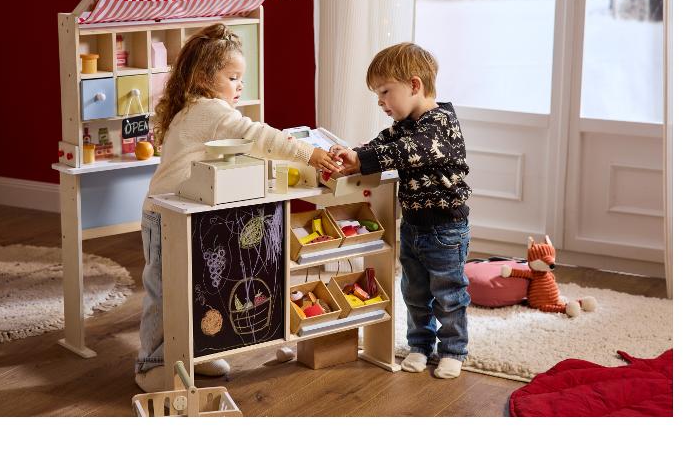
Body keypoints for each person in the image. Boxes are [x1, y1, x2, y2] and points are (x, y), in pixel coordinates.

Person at [135, 23, 339, 392]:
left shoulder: (203, 108)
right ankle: (152, 362)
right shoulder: (209, 111)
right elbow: (256, 135)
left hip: (188, 216)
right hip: (164, 217)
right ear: (203, 77)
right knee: (164, 291)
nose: (240, 86)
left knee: (198, 287)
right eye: (232, 77)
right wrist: (310, 153)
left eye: (241, 78)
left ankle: (195, 350)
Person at [331, 42, 472, 379]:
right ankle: (420, 345)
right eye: (377, 95)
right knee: (414, 291)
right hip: (412, 227)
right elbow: (383, 144)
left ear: (414, 85)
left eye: (385, 92)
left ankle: (453, 350)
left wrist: (362, 160)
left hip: (445, 229)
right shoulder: (405, 126)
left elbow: (409, 151)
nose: (381, 102)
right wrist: (352, 154)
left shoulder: (440, 125)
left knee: (449, 292)